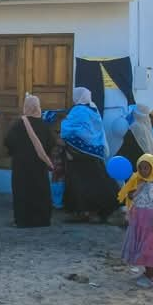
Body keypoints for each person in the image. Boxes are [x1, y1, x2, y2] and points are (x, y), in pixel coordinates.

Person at [60, 87, 119, 223]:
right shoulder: (93, 110)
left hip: (78, 153)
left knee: (79, 183)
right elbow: (95, 130)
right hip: (94, 152)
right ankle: (99, 210)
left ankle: (82, 211)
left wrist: (63, 121)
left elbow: (68, 129)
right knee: (96, 181)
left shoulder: (78, 110)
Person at [118, 154, 153, 288]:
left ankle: (151, 274)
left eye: (146, 168)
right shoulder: (137, 182)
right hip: (138, 221)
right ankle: (146, 272)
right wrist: (134, 189)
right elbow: (131, 196)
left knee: (150, 246)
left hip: (151, 221)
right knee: (140, 246)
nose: (143, 171)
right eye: (140, 168)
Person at [4, 94, 55, 228]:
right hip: (39, 166)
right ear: (37, 107)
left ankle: (23, 220)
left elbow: (8, 141)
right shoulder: (44, 125)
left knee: (22, 191)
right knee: (40, 191)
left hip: (21, 165)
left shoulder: (18, 124)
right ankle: (42, 220)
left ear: (26, 107)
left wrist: (15, 153)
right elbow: (51, 143)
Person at [117, 103, 153, 169]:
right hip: (146, 162)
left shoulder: (135, 126)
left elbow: (127, 143)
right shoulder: (147, 128)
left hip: (135, 161)